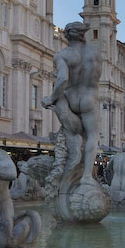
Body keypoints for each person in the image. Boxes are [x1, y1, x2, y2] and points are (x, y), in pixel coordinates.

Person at [42, 21, 104, 184]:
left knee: (70, 134)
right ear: (83, 35)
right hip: (89, 98)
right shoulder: (95, 53)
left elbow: (62, 79)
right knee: (92, 136)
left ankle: (67, 170)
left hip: (70, 98)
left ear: (67, 36)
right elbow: (97, 77)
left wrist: (51, 98)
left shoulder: (62, 55)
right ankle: (86, 176)